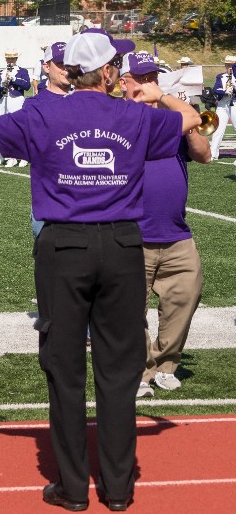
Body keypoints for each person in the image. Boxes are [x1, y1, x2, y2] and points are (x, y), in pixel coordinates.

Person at [0, 32, 200, 512]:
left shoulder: (43, 113)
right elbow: (191, 119)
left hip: (64, 245)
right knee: (119, 371)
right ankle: (118, 489)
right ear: (109, 71)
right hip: (123, 245)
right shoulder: (135, 115)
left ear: (70, 70)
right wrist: (157, 94)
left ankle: (72, 489)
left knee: (65, 370)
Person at [117, 51, 211, 398]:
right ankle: (139, 370)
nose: (149, 84)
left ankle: (165, 364)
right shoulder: (118, 117)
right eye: (141, 79)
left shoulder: (175, 119)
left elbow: (204, 155)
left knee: (185, 297)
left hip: (175, 231)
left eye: (153, 78)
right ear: (123, 83)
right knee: (130, 310)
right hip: (132, 232)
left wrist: (177, 112)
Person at [23, 42, 70, 238]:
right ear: (46, 67)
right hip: (48, 199)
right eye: (60, 64)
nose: (66, 69)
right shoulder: (34, 105)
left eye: (70, 63)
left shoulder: (85, 98)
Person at [0, 51, 31, 167]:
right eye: (8, 59)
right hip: (3, 100)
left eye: (12, 59)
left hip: (16, 99)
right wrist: (1, 83)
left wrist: (14, 79)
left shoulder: (22, 71)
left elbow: (27, 86)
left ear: (16, 59)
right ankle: (11, 157)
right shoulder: (1, 72)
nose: (10, 61)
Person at [209, 56, 236, 161]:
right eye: (228, 65)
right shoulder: (220, 76)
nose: (230, 67)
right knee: (218, 128)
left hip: (234, 103)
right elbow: (215, 89)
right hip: (222, 104)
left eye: (232, 65)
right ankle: (213, 154)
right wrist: (224, 91)